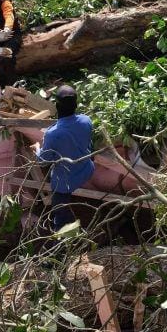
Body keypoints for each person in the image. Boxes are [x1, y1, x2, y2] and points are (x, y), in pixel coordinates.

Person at [38, 85, 95, 231]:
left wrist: (37, 148)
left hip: (66, 180)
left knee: (58, 209)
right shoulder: (86, 120)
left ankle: (62, 230)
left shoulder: (53, 133)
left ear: (56, 106)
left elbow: (43, 162)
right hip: (87, 169)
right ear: (76, 105)